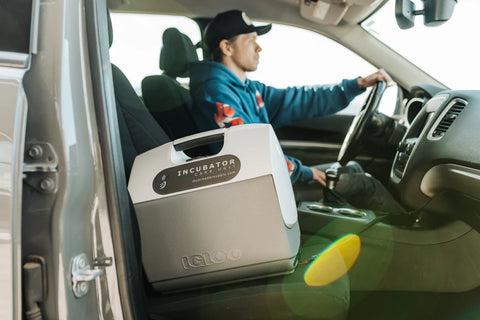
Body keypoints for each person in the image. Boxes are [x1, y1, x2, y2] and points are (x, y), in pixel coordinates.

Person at [189, 9, 405, 214]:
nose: (259, 48)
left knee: (353, 168)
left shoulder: (248, 88)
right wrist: (304, 171)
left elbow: (301, 99)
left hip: (269, 177)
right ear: (227, 47)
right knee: (366, 186)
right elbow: (250, 153)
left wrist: (356, 85)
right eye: (251, 40)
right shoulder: (215, 93)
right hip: (256, 191)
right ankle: (412, 236)